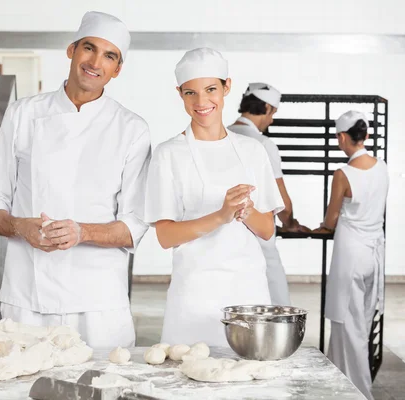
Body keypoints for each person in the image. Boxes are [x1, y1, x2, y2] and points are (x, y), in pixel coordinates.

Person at [0, 11, 151, 348]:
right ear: (71, 50)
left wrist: (81, 232)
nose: (95, 61)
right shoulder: (23, 114)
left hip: (98, 304)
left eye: (109, 55)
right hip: (28, 297)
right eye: (89, 48)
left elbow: (134, 225)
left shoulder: (131, 129)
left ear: (117, 69)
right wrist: (19, 227)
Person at [144, 48, 284, 346]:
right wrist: (220, 216)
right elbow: (166, 236)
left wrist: (245, 210)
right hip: (194, 294)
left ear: (227, 87)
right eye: (190, 93)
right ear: (180, 94)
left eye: (211, 90)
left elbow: (268, 230)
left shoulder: (252, 151)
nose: (201, 102)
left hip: (248, 291)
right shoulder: (168, 154)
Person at [313, 110, 389, 399]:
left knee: (347, 327)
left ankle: (357, 392)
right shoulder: (382, 167)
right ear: (366, 135)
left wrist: (317, 227)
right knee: (361, 325)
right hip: (374, 257)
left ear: (342, 137)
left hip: (350, 256)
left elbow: (330, 220)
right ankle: (337, 387)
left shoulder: (343, 174)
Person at [228, 82, 310, 305]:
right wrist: (290, 222)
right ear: (265, 107)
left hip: (224, 238)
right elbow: (281, 200)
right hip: (259, 237)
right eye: (273, 112)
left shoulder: (222, 137)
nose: (272, 119)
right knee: (276, 304)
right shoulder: (262, 143)